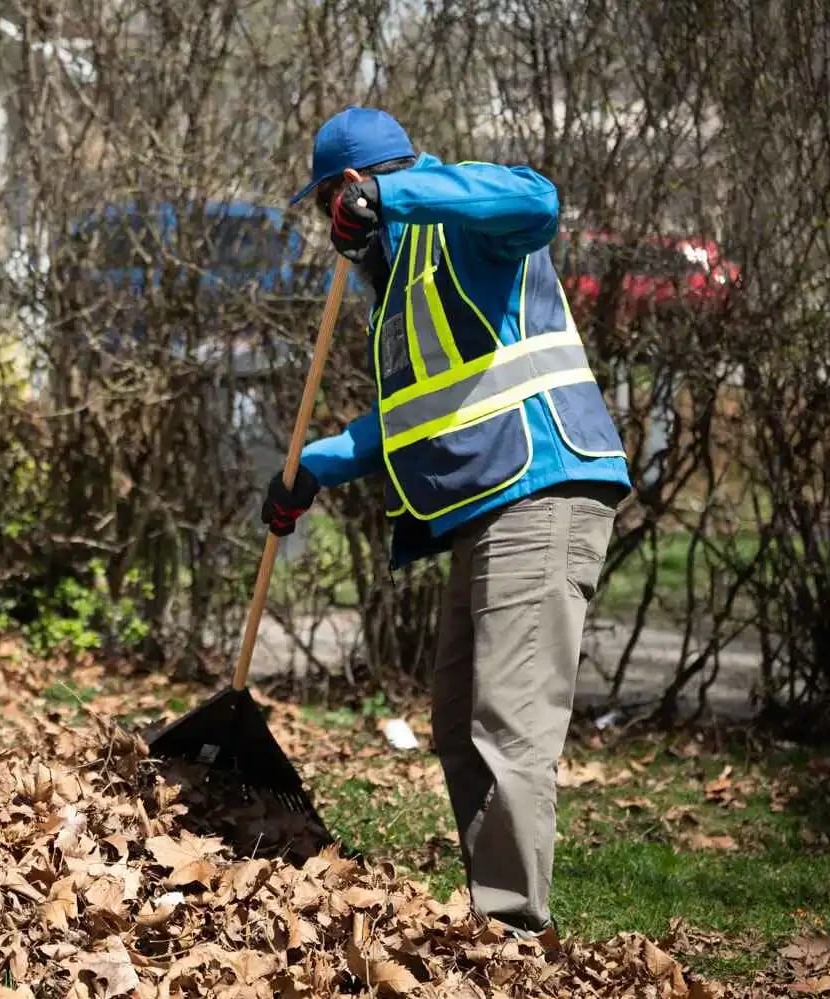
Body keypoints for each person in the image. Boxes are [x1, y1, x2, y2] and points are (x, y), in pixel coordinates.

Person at [264, 107, 633, 942]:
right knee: (457, 718)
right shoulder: (394, 289)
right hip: (489, 507)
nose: (333, 234)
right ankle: (494, 919)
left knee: (507, 723)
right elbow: (411, 419)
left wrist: (399, 195)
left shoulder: (463, 226)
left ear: (352, 190)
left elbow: (537, 199)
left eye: (331, 209)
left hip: (542, 487)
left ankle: (513, 939)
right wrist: (309, 468)